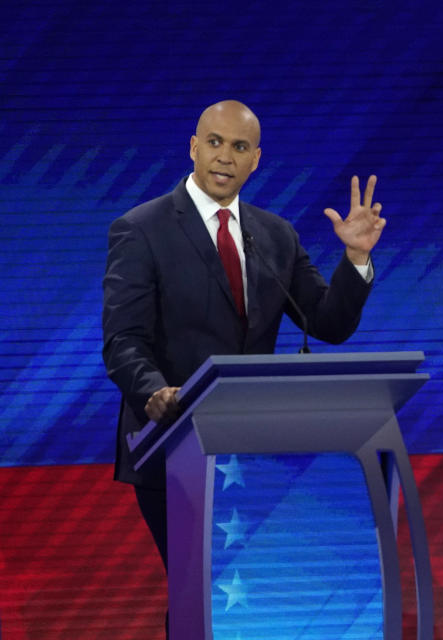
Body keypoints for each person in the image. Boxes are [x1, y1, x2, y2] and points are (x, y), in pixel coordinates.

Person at [101, 100, 385, 618]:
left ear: (255, 160)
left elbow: (328, 323)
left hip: (254, 454)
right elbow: (123, 340)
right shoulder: (142, 229)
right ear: (193, 147)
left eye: (238, 147)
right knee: (204, 589)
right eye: (213, 142)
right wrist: (154, 392)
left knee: (243, 597)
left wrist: (356, 259)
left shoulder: (275, 235)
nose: (224, 157)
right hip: (174, 447)